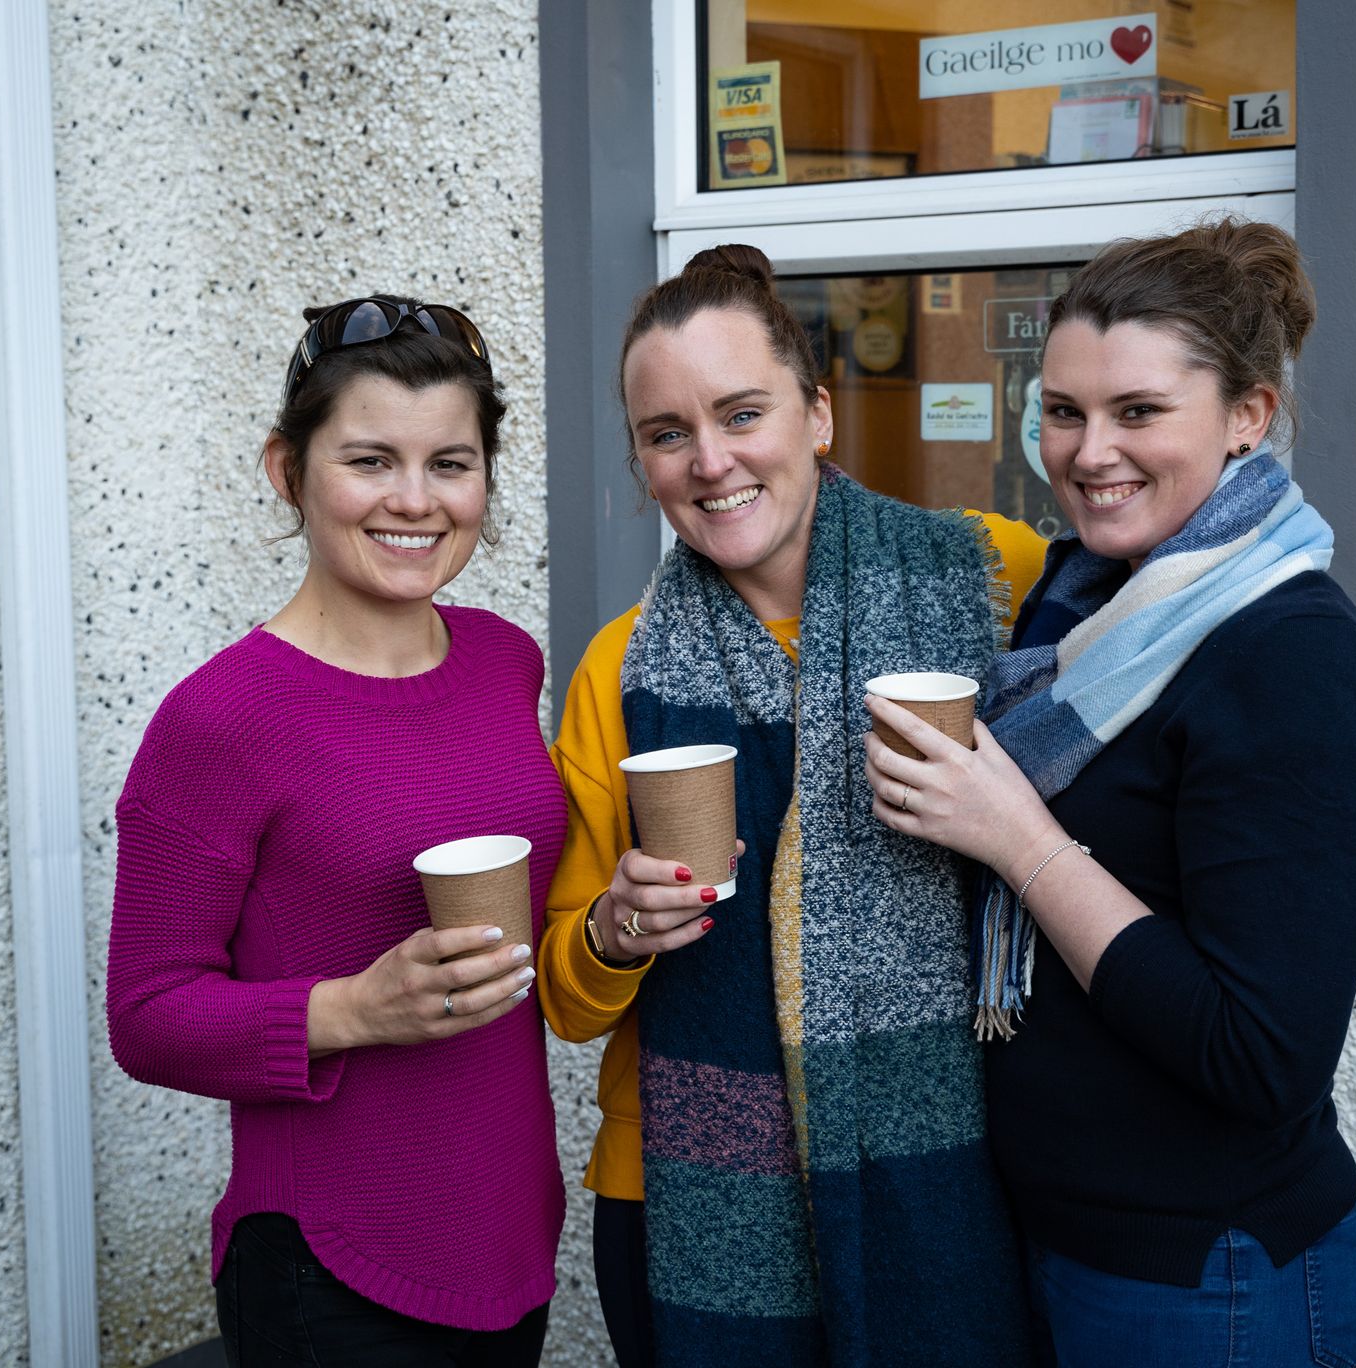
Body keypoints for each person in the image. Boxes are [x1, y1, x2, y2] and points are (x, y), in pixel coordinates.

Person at [863, 220, 1356, 1367]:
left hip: (1207, 1278)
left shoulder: (1294, 662)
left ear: (1249, 415)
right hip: (1065, 1241)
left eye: (1138, 412)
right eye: (1063, 411)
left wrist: (1019, 839)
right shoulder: (1081, 611)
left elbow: (1258, 1055)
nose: (1088, 451)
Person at [535, 245, 1050, 1367]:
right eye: (667, 433)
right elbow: (568, 1002)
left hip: (945, 1160)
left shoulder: (992, 581)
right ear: (640, 461)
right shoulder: (619, 671)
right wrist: (618, 932)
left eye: (741, 412)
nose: (710, 461)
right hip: (686, 1182)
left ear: (817, 414)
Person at [107, 297, 563, 1366]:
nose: (415, 500)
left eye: (451, 462)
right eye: (370, 459)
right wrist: (354, 1008)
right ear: (287, 469)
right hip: (331, 1269)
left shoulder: (505, 661)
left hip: (508, 1231)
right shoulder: (220, 720)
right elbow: (147, 1015)